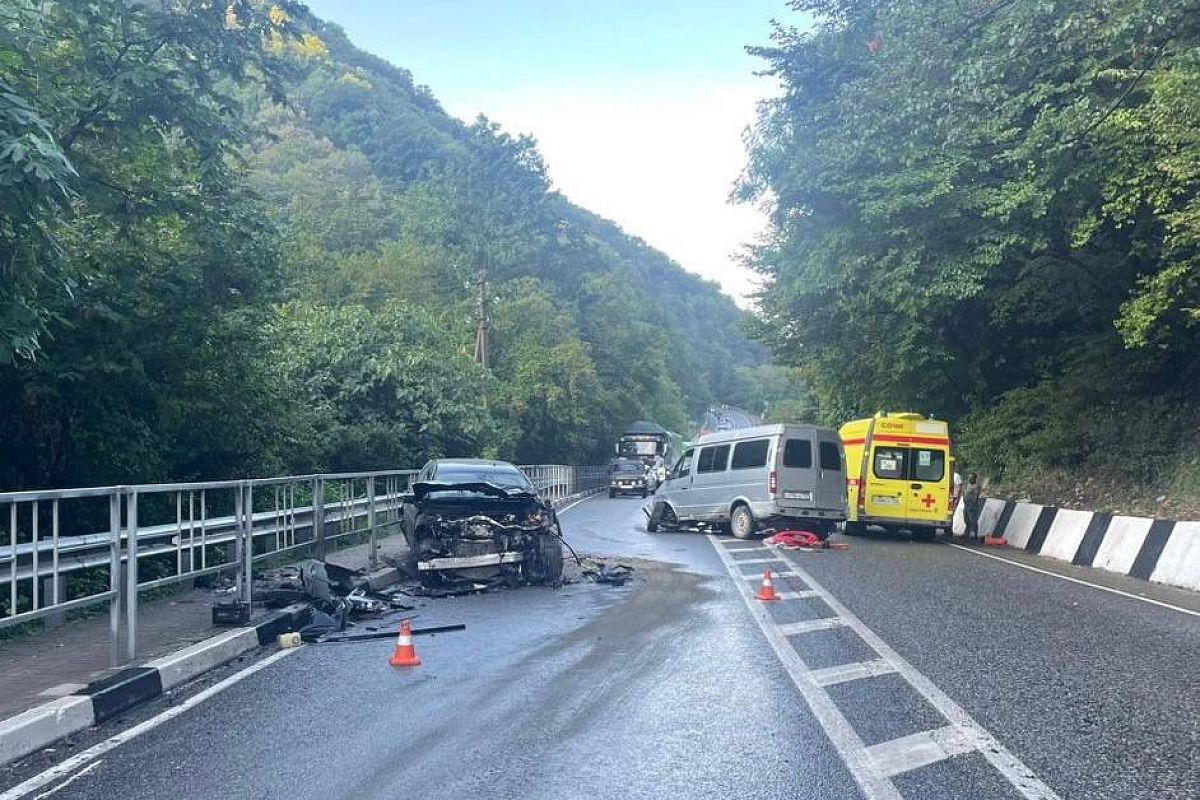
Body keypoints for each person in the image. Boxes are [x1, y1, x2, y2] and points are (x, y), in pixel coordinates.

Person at [962, 473, 983, 539]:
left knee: (973, 520)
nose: (970, 479)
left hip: (972, 505)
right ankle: (966, 534)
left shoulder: (976, 486)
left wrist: (972, 504)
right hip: (966, 504)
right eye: (969, 477)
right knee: (966, 520)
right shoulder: (967, 485)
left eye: (971, 477)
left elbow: (975, 496)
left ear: (974, 478)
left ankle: (975, 534)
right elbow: (964, 493)